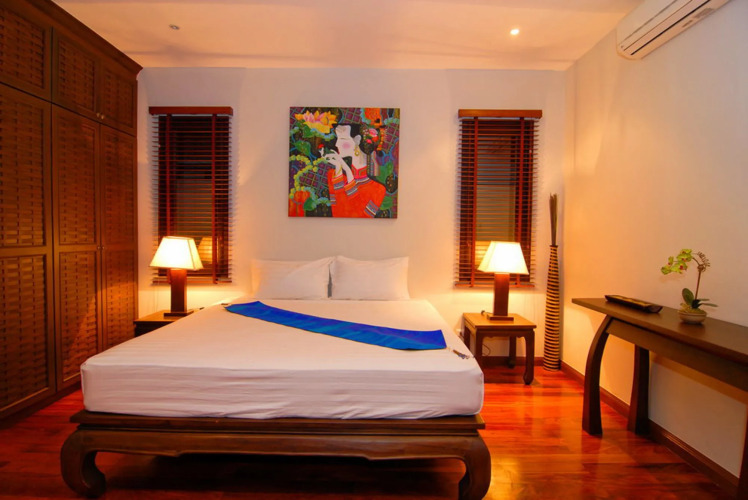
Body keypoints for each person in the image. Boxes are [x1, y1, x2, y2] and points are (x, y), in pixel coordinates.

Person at [323, 124, 385, 218]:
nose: (337, 144)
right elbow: (338, 213)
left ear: (357, 140)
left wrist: (347, 170)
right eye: (338, 139)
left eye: (343, 139)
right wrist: (340, 167)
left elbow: (359, 216)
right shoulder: (334, 174)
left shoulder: (378, 189)